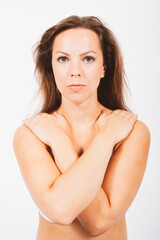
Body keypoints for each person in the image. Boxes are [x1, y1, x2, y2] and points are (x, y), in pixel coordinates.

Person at [13, 15, 150, 240]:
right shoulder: (32, 133)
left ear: (104, 68)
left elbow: (99, 221)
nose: (75, 71)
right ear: (51, 68)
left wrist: (102, 136)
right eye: (63, 59)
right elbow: (61, 210)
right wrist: (62, 139)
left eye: (88, 59)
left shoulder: (132, 131)